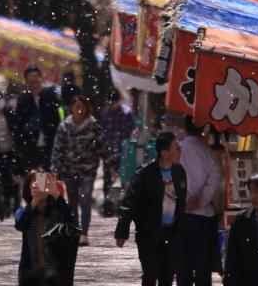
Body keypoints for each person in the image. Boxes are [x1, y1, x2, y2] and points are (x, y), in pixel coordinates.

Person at [114, 131, 187, 286]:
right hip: (148, 233)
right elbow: (129, 203)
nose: (180, 150)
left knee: (167, 275)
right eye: (176, 147)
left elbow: (180, 202)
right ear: (164, 153)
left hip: (171, 233)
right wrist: (122, 230)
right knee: (150, 274)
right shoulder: (144, 174)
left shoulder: (179, 172)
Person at [50, 94, 107, 245]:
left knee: (85, 200)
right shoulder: (64, 126)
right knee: (72, 201)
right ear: (71, 109)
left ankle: (84, 233)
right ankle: (75, 229)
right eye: (77, 106)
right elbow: (58, 149)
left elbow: (103, 146)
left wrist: (111, 165)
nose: (80, 109)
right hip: (69, 170)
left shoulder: (94, 126)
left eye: (82, 106)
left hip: (88, 170)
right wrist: (55, 168)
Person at [178, 118, 223, 286]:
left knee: (183, 265)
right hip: (204, 218)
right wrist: (201, 201)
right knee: (203, 266)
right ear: (203, 128)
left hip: (181, 216)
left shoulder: (177, 150)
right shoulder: (208, 153)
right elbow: (215, 177)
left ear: (185, 127)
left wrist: (182, 202)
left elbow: (167, 180)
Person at [16, 170, 80, 286]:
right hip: (31, 274)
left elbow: (71, 221)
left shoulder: (59, 211)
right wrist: (35, 201)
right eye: (34, 181)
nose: (39, 185)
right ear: (28, 188)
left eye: (43, 181)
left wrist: (56, 193)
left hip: (56, 274)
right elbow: (21, 225)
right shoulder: (24, 211)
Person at [14, 65, 63, 170]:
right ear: (26, 80)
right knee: (36, 172)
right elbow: (19, 122)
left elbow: (57, 117)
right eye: (30, 77)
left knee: (50, 170)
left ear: (40, 78)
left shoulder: (50, 95)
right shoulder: (23, 99)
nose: (34, 79)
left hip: (50, 139)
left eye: (36, 76)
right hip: (31, 142)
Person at [98, 89, 137, 217]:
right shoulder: (105, 112)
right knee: (108, 181)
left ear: (118, 101)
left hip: (123, 153)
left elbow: (131, 132)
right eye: (109, 102)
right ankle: (109, 207)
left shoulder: (126, 113)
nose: (111, 105)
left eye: (113, 103)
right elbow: (101, 131)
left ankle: (117, 206)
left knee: (121, 181)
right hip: (108, 152)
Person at [0, 89, 20, 212]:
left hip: (9, 148)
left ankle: (11, 198)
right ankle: (1, 201)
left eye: (0, 98)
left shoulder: (9, 113)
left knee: (9, 175)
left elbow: (14, 129)